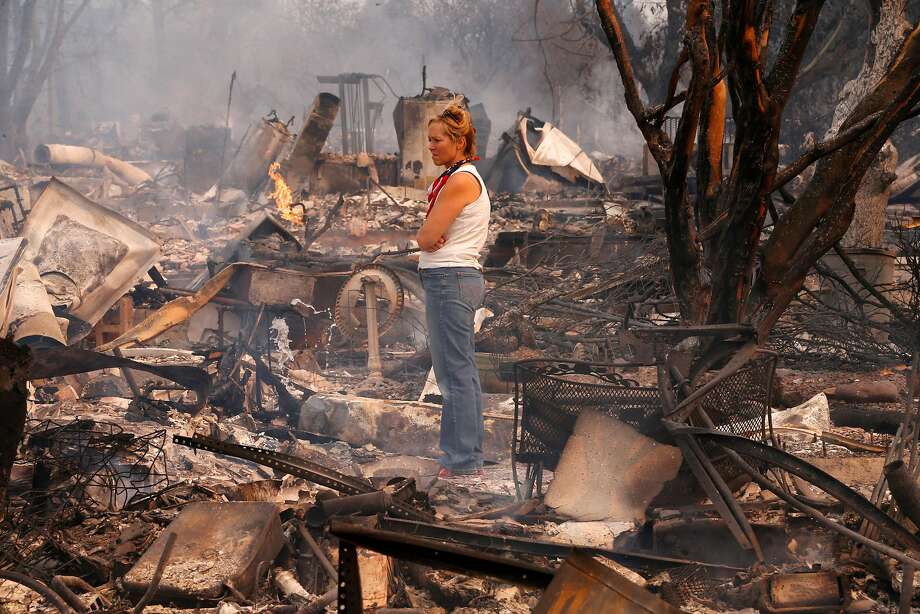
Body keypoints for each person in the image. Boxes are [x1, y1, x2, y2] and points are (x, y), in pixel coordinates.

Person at [415, 98, 490, 478]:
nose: (430, 146)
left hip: (451, 278)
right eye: (428, 140)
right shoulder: (452, 176)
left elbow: (428, 235)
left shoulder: (461, 180)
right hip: (450, 278)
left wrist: (425, 237)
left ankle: (463, 460)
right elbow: (431, 237)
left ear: (459, 142)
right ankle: (460, 455)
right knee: (454, 371)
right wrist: (429, 239)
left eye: (437, 140)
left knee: (455, 373)